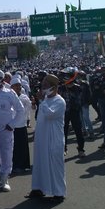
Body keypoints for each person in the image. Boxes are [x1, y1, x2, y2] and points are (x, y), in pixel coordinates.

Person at [26, 74, 66, 202]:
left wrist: (42, 101)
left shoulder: (59, 101)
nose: (42, 88)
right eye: (42, 85)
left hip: (54, 138)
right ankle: (38, 189)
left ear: (53, 87)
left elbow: (50, 114)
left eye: (45, 86)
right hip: (42, 137)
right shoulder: (46, 100)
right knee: (39, 162)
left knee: (55, 164)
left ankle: (59, 193)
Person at [58, 67, 86, 157]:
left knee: (78, 131)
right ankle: (64, 148)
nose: (63, 78)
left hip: (75, 111)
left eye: (66, 76)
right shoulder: (61, 88)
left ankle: (81, 149)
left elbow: (80, 99)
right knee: (63, 131)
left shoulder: (78, 87)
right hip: (64, 112)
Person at [10, 78, 32, 172]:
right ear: (12, 87)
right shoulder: (9, 96)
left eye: (19, 85)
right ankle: (14, 165)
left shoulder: (24, 97)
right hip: (12, 125)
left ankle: (23, 165)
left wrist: (27, 120)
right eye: (16, 85)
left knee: (22, 146)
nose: (18, 87)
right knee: (13, 146)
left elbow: (28, 108)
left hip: (22, 124)